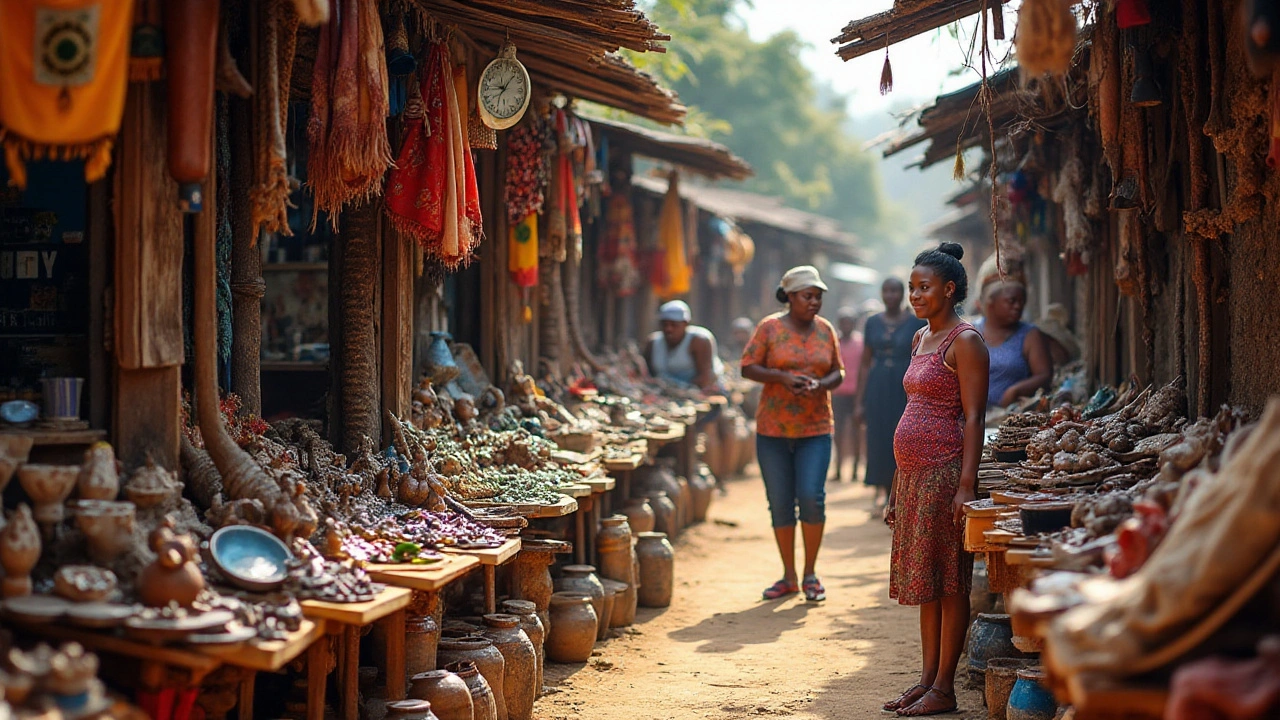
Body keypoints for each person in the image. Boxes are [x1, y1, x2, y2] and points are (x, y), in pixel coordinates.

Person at [882, 243, 989, 717]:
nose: (915, 296)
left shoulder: (966, 341)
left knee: (950, 583)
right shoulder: (920, 337)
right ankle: (926, 680)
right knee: (927, 582)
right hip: (913, 478)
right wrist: (894, 486)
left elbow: (975, 418)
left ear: (949, 289)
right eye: (912, 288)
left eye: (924, 288)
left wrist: (966, 485)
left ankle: (944, 688)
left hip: (945, 473)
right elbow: (911, 410)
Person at [742, 266, 844, 603]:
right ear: (789, 297)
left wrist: (819, 384)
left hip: (815, 428)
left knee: (811, 498)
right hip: (773, 430)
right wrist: (783, 378)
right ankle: (788, 576)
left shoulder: (826, 330)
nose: (814, 302)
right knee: (781, 503)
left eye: (818, 296)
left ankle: (810, 573)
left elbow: (838, 372)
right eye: (807, 296)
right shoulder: (769, 328)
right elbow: (748, 366)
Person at [855, 278, 925, 510]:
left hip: (904, 389)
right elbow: (865, 362)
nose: (891, 295)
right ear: (882, 294)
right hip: (877, 388)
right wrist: (860, 401)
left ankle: (902, 493)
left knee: (903, 439)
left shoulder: (916, 322)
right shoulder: (872, 322)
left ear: (902, 293)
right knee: (879, 438)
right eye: (886, 291)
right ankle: (884, 492)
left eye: (895, 291)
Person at [974, 279, 1052, 409]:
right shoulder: (971, 332)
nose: (1018, 306)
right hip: (971, 413)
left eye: (1022, 302)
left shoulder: (1029, 334)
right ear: (991, 304)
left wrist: (1015, 391)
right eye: (1011, 301)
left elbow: (1044, 375)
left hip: (1013, 413)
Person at [643, 300, 724, 393]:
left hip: (696, 392)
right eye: (665, 325)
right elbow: (647, 374)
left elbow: (706, 378)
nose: (669, 329)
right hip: (661, 393)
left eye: (674, 325)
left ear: (685, 324)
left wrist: (678, 390)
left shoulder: (698, 340)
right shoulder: (653, 342)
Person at [832, 308, 864, 482]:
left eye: (849, 322)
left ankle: (854, 470)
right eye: (843, 322)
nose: (846, 326)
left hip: (856, 395)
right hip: (837, 393)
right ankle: (837, 469)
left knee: (855, 432)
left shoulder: (861, 343)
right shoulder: (834, 342)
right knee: (838, 433)